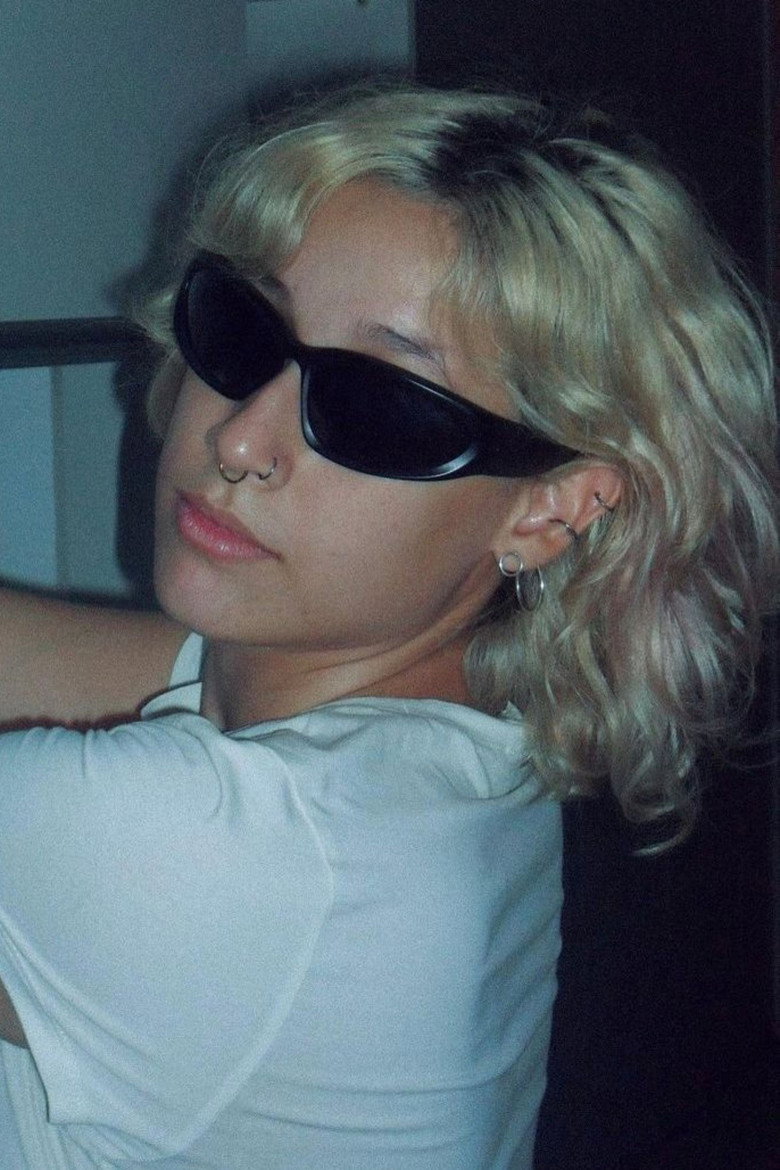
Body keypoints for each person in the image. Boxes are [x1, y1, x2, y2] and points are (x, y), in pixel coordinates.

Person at [0, 84, 777, 1170]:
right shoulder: (459, 752)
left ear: (546, 508)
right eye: (242, 333)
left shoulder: (214, 841)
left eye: (377, 407)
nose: (240, 442)